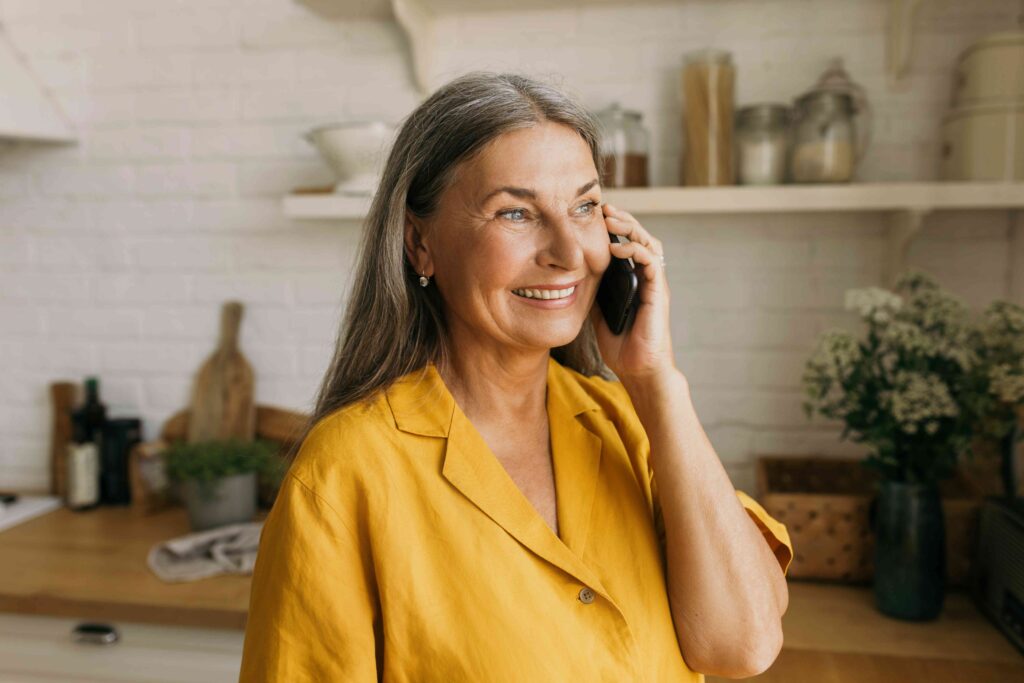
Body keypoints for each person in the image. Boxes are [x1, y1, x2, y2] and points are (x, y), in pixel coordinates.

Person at [238, 71, 793, 682]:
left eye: (584, 205)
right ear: (419, 244)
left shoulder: (631, 420)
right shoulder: (346, 471)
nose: (568, 251)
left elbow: (743, 646)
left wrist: (656, 381)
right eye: (515, 213)